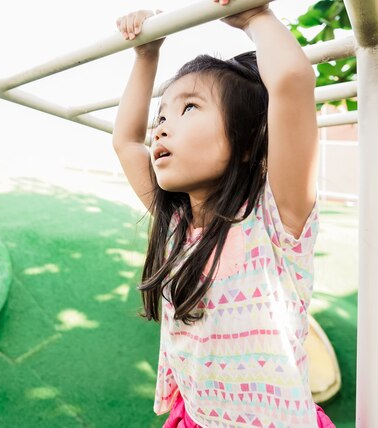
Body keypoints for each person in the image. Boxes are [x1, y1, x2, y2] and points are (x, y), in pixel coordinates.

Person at [113, 2, 336, 427]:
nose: (159, 127)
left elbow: (292, 81)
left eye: (189, 108)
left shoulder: (274, 221)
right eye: (161, 115)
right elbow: (126, 142)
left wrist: (254, 17)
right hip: (197, 416)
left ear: (248, 142)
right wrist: (146, 55)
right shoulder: (177, 226)